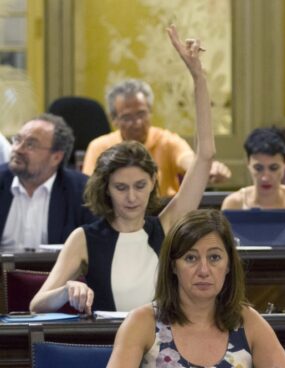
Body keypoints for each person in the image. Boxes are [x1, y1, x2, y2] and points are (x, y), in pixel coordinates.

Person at [30, 25, 216, 314]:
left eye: (140, 186)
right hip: (109, 346)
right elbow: (36, 305)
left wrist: (198, 77)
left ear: (154, 182)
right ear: (106, 188)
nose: (132, 197)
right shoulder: (83, 238)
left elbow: (205, 154)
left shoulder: (166, 225)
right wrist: (66, 291)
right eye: (121, 187)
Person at [107, 209, 285, 367]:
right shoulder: (142, 322)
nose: (204, 271)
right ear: (173, 266)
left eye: (214, 258)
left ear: (228, 265)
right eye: (190, 258)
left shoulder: (248, 321)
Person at [81, 77, 231, 197]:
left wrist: (208, 169)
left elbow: (188, 161)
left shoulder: (167, 141)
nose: (137, 123)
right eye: (127, 117)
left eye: (141, 114)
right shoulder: (100, 147)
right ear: (115, 120)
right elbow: (89, 190)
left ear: (150, 112)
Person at [0, 114, 96, 249]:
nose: (17, 149)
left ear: (56, 157)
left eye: (30, 145)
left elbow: (94, 249)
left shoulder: (82, 192)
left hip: (55, 270)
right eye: (17, 140)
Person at [221, 127, 285, 245]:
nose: (265, 177)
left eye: (273, 168)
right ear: (248, 163)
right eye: (258, 168)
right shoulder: (233, 204)